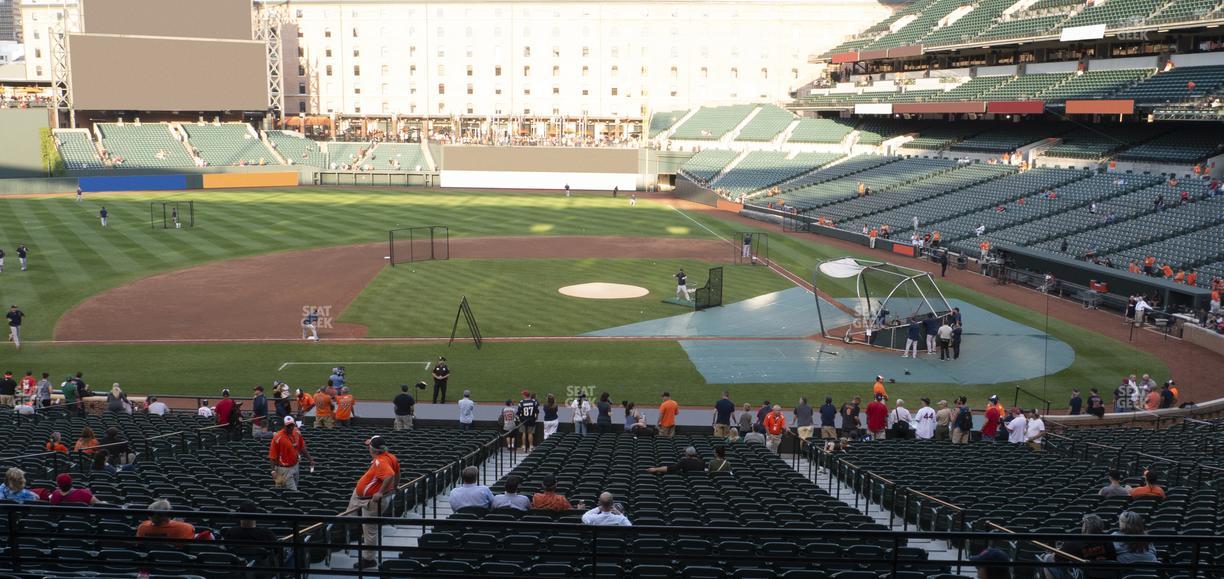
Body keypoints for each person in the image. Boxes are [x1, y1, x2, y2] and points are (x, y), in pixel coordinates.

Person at [347, 437, 396, 569]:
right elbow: (397, 473)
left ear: (372, 449)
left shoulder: (381, 461)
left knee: (370, 530)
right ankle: (350, 529)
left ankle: (369, 559)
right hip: (361, 497)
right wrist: (395, 487)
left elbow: (390, 474)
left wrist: (380, 492)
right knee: (351, 515)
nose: (367, 447)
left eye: (369, 446)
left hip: (372, 502)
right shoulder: (390, 456)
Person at [1040, 514, 1116, 579]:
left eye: (1083, 524)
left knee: (1047, 558)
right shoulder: (1108, 540)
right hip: (1106, 575)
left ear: (1085, 527)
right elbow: (1113, 557)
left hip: (1083, 575)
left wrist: (1052, 553)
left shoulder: (1075, 543)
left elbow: (1057, 558)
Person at [222, 500, 282, 571]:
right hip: (262, 572)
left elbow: (225, 549)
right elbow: (278, 551)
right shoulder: (266, 533)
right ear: (256, 514)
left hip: (238, 572)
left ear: (239, 514)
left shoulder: (231, 532)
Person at [269, 416, 314, 491]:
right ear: (284, 426)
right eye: (288, 426)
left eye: (291, 425)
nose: (290, 428)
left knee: (284, 489)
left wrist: (310, 459)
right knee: (293, 492)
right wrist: (273, 471)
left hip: (295, 466)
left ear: (294, 425)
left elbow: (302, 447)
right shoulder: (277, 437)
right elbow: (272, 455)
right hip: (283, 469)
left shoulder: (297, 433)